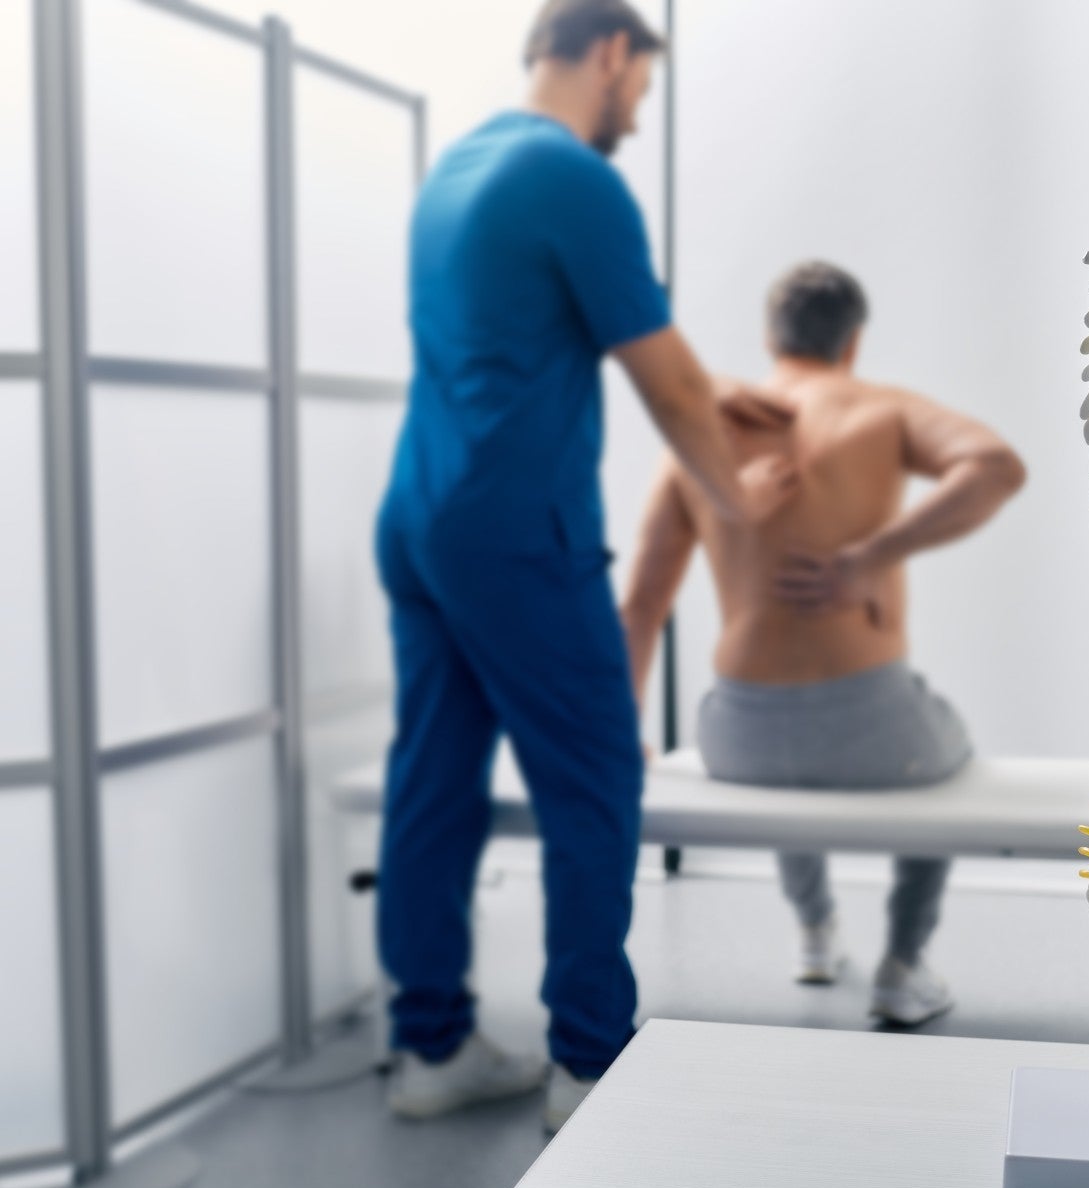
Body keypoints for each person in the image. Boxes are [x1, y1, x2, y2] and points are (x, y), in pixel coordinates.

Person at [374, 0, 798, 1130]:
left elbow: (577, 339)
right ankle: (589, 1067)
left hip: (421, 515)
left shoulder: (461, 168)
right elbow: (662, 385)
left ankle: (429, 1047)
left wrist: (720, 397)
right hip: (517, 529)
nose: (637, 115)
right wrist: (739, 506)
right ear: (611, 51)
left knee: (433, 775)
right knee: (597, 777)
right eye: (643, 90)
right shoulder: (575, 178)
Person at [619, 261, 1026, 1023]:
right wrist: (870, 555)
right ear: (853, 341)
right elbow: (996, 468)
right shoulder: (881, 409)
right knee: (949, 756)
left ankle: (813, 930)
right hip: (878, 737)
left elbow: (640, 604)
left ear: (772, 338)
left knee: (789, 780)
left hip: (736, 738)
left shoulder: (702, 435)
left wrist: (625, 733)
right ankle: (903, 962)